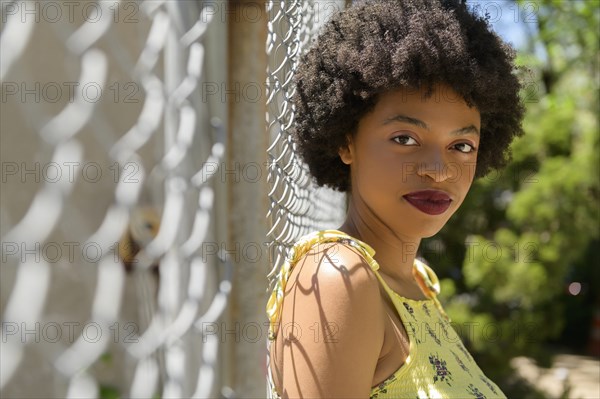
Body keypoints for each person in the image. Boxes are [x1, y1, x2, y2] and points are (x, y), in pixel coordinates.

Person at [266, 0, 524, 397]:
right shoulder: (336, 277)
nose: (439, 171)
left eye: (462, 145)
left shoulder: (419, 284)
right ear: (346, 141)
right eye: (405, 138)